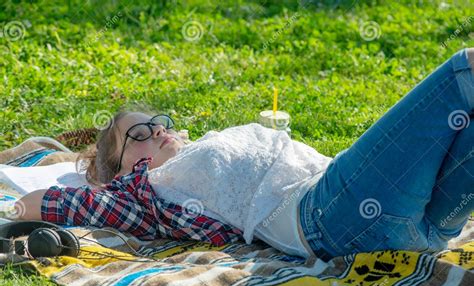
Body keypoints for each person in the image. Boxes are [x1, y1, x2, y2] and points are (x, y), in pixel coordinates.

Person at [15, 48, 474, 261]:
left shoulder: (187, 153)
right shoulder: (139, 190)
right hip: (334, 216)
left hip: (425, 233)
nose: (156, 130)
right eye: (137, 133)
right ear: (122, 170)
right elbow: (48, 203)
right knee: (463, 72)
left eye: (158, 123)